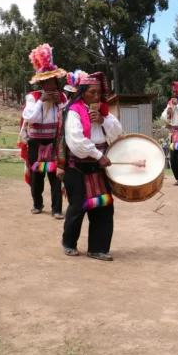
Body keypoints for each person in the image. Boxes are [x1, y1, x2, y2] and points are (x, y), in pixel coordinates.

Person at [58, 72, 123, 261]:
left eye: (99, 93)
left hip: (98, 167)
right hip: (77, 166)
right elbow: (76, 141)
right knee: (77, 207)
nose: (96, 96)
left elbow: (118, 131)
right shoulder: (73, 111)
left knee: (104, 206)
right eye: (92, 92)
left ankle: (98, 248)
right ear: (82, 93)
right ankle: (69, 242)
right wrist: (98, 155)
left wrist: (102, 121)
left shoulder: (103, 112)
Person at [18, 44, 67, 218]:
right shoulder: (33, 97)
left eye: (53, 81)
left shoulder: (62, 97)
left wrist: (58, 104)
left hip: (54, 141)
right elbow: (30, 118)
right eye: (46, 82)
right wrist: (42, 101)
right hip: (36, 141)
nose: (50, 84)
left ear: (56, 81)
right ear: (41, 83)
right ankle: (37, 204)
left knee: (55, 175)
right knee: (37, 175)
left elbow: (67, 118)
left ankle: (56, 209)